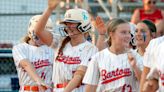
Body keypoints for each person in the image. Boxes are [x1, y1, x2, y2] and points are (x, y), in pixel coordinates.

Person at [33, 0, 98, 92]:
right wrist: (49, 9)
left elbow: (78, 76)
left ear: (83, 25)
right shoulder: (60, 42)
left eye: (72, 23)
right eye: (67, 23)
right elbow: (38, 31)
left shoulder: (90, 48)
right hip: (57, 89)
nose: (68, 26)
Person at [83, 18, 143, 92]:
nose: (128, 36)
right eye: (123, 32)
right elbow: (90, 88)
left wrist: (135, 67)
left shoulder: (135, 56)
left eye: (129, 32)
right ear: (111, 34)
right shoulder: (97, 57)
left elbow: (145, 83)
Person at [12, 15, 54, 92]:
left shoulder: (51, 49)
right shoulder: (20, 48)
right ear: (32, 32)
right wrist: (38, 80)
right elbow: (26, 64)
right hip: (28, 90)